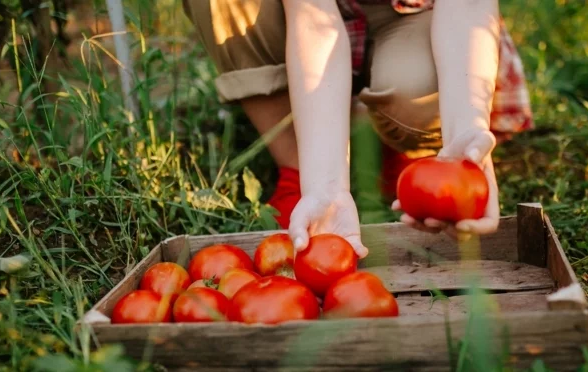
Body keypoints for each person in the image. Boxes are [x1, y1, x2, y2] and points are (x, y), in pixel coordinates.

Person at [181, 0, 533, 258]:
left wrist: (464, 137)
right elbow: (313, 19)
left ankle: (411, 151)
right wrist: (325, 185)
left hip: (416, 16)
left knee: (414, 84)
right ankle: (299, 168)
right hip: (300, 17)